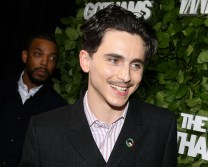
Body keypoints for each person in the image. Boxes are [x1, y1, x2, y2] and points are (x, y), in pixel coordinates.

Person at [19, 4, 177, 167]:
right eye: (114, 60)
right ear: (85, 61)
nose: (126, 76)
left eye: (136, 65)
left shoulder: (161, 127)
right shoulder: (44, 130)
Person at [0, 33, 68, 167]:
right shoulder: (2, 91)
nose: (45, 63)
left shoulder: (58, 109)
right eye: (38, 54)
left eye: (52, 58)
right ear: (25, 56)